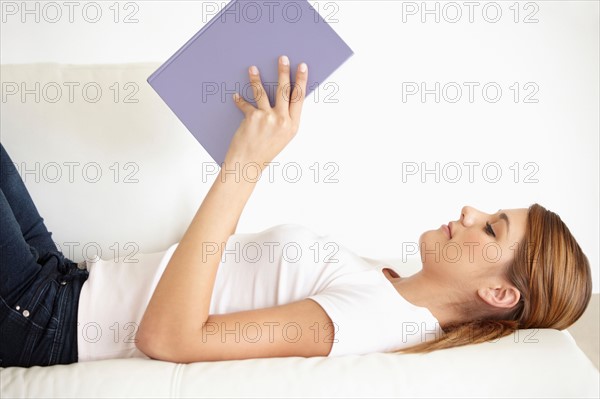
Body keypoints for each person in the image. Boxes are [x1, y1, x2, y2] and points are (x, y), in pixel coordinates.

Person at [0, 56, 592, 367]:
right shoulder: (384, 286)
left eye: (492, 227)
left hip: (44, 320)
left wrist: (246, 164)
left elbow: (169, 337)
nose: (471, 210)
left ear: (500, 295)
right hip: (65, 279)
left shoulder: (373, 321)